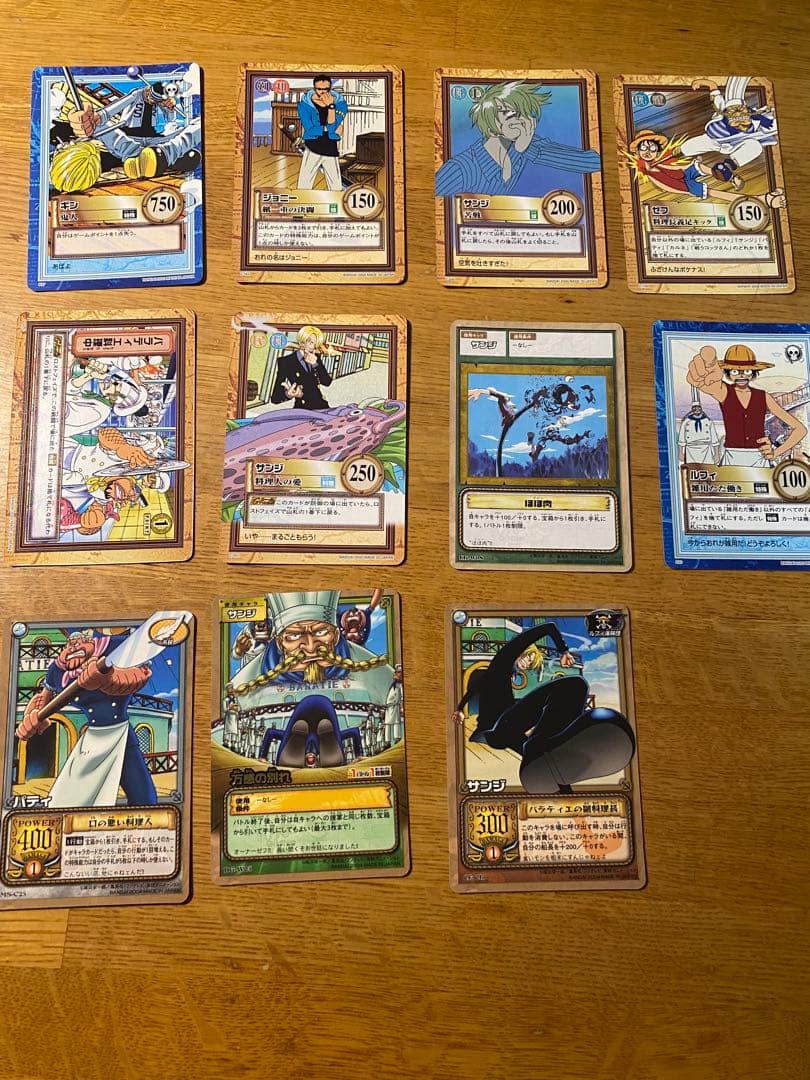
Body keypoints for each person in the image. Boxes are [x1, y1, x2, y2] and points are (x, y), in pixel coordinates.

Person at [452, 623, 635, 795]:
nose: (528, 663)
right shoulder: (503, 660)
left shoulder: (506, 675)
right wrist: (564, 651)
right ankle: (547, 746)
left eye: (531, 661)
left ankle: (552, 752)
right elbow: (549, 627)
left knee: (577, 687)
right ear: (521, 651)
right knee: (574, 684)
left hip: (510, 726)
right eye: (528, 657)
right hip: (495, 731)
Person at [15, 629, 156, 807]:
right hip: (92, 739)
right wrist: (32, 718)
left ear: (91, 641)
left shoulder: (113, 647)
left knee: (144, 798)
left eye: (80, 641)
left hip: (121, 735)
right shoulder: (57, 670)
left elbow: (140, 673)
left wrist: (108, 678)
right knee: (67, 799)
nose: (74, 647)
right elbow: (44, 696)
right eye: (70, 644)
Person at [435, 80, 600, 198]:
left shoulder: (524, 146)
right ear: (489, 122)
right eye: (507, 113)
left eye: (522, 113)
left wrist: (527, 148)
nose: (519, 120)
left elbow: (593, 162)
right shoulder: (460, 169)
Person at [52, 73, 201, 192]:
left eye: (156, 100)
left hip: (153, 140)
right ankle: (166, 156)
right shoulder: (136, 94)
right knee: (103, 129)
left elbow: (170, 120)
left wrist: (169, 109)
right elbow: (110, 111)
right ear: (148, 91)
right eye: (151, 97)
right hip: (127, 137)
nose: (152, 101)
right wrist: (97, 117)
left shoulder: (159, 103)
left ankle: (162, 157)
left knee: (191, 130)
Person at [687, 344, 806, 466]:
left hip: (759, 457)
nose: (741, 375)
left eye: (747, 371)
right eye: (735, 371)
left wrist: (775, 453)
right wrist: (704, 372)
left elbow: (800, 429)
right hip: (732, 457)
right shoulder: (724, 392)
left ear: (753, 373)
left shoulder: (763, 396)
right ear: (728, 373)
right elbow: (708, 385)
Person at [296, 75, 348, 191]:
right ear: (314, 88)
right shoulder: (304, 105)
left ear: (330, 88)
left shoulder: (340, 104)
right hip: (312, 147)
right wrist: (329, 129)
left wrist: (331, 106)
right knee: (304, 186)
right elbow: (310, 129)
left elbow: (333, 124)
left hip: (330, 148)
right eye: (319, 89)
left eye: (326, 89)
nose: (323, 92)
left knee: (335, 187)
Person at [270, 325, 333, 411]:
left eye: (316, 344)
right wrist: (288, 394)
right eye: (311, 343)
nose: (314, 347)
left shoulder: (315, 358)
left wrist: (316, 364)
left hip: (321, 405)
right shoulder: (286, 362)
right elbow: (275, 398)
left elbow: (327, 382)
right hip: (302, 408)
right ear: (301, 343)